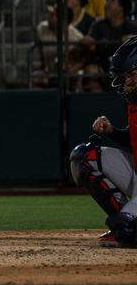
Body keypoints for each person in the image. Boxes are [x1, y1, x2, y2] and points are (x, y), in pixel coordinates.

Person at [70, 36, 137, 247]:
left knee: (126, 230)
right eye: (125, 76)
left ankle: (127, 225)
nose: (126, 81)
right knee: (84, 157)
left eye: (132, 75)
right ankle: (124, 222)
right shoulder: (134, 101)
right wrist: (113, 131)